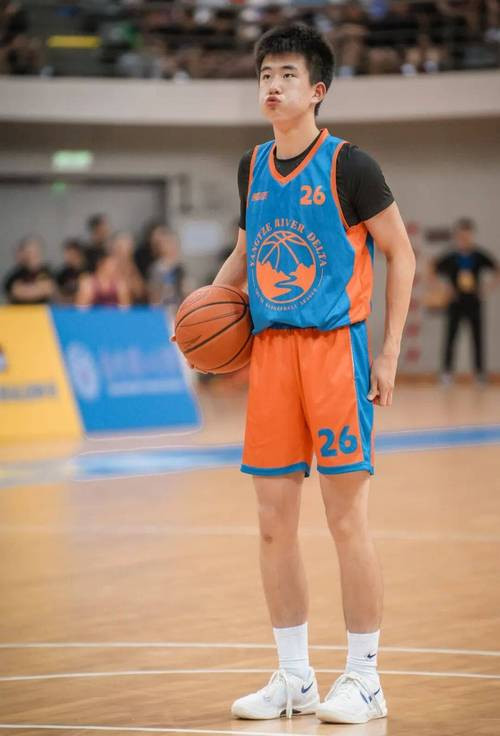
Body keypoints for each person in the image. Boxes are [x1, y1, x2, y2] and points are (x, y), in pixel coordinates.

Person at [210, 23, 415, 724]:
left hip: (335, 352)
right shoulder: (251, 167)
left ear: (318, 89)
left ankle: (365, 679)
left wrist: (388, 354)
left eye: (288, 75)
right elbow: (245, 255)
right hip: (271, 357)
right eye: (265, 75)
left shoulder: (352, 166)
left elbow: (402, 254)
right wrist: (205, 309)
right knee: (273, 523)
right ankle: (295, 677)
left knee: (345, 519)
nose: (273, 86)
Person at [433, 217, 499, 383]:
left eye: (467, 235)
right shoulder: (451, 257)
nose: (464, 238)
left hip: (474, 302)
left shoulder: (478, 256)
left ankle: (479, 374)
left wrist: (487, 288)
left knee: (477, 338)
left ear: (472, 235)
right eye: (461, 235)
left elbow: (496, 268)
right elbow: (432, 268)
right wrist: (444, 288)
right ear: (457, 236)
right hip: (455, 302)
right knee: (451, 337)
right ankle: (447, 373)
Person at [3, 235, 56, 304]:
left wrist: (26, 289)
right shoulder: (15, 274)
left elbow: (48, 290)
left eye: (35, 252)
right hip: (20, 310)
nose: (32, 256)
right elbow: (16, 292)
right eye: (29, 252)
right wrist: (38, 289)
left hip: (43, 310)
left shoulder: (47, 271)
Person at [148, 228, 185, 310]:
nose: (171, 247)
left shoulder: (180, 267)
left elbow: (183, 288)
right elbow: (154, 292)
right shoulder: (156, 268)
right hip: (162, 307)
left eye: (173, 244)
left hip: (177, 307)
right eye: (168, 244)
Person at [109, 230, 146, 304]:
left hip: (132, 306)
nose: (126, 251)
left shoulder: (132, 266)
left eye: (129, 247)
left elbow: (139, 291)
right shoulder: (108, 265)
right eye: (122, 247)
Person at [55, 238, 86, 304]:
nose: (66, 257)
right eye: (65, 253)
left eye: (69, 253)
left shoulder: (87, 271)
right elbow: (57, 293)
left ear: (77, 253)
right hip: (66, 306)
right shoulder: (63, 273)